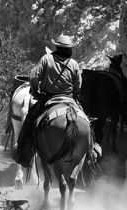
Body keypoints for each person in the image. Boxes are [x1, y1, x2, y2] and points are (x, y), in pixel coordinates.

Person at [12, 34, 82, 168]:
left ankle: (24, 152)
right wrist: (76, 95)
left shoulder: (46, 59)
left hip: (49, 98)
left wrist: (35, 91)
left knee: (29, 120)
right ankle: (92, 148)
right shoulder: (74, 63)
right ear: (69, 49)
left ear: (57, 47)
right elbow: (78, 83)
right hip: (69, 98)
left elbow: (33, 77)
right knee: (86, 118)